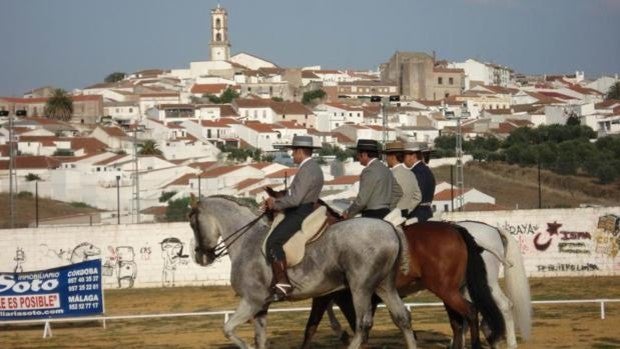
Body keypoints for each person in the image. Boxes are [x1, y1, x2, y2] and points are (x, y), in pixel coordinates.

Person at [263, 135, 324, 302]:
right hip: (306, 209)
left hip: (299, 212)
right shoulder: (315, 168)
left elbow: (295, 199)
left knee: (273, 242)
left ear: (299, 151)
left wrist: (275, 203)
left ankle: (283, 282)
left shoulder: (306, 170)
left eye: (293, 152)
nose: (291, 155)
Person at [343, 139, 402, 219]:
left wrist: (349, 213)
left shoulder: (369, 171)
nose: (357, 157)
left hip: (372, 215)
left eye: (358, 154)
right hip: (386, 214)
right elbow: (398, 192)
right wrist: (388, 208)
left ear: (364, 154)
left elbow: (362, 200)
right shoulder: (386, 169)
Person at [384, 141, 421, 218]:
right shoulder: (411, 173)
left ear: (392, 157)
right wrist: (408, 209)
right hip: (405, 214)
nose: (386, 159)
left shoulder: (390, 175)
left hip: (392, 215)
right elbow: (418, 196)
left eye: (386, 156)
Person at [403, 142, 436, 222]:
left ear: (413, 156)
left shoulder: (415, 172)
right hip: (427, 212)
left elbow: (416, 196)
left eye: (404, 156)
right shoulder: (426, 170)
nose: (403, 159)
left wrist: (404, 212)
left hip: (416, 215)